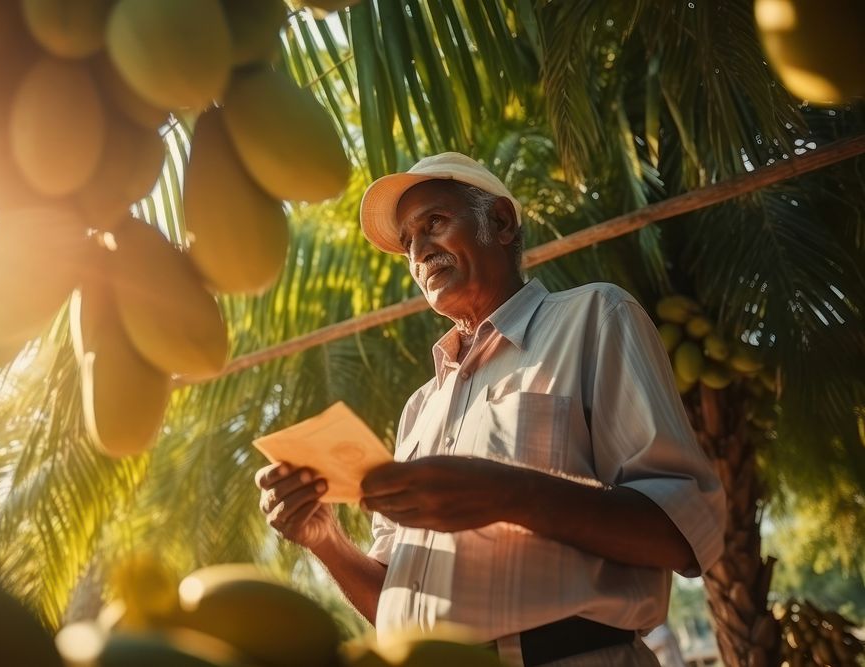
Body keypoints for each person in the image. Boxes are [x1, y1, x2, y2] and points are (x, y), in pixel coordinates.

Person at [255, 152, 726, 666]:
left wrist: (506, 494)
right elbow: (396, 603)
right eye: (407, 243)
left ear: (499, 222)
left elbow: (685, 531)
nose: (419, 251)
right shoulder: (419, 409)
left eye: (433, 223)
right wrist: (324, 539)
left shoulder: (594, 318)